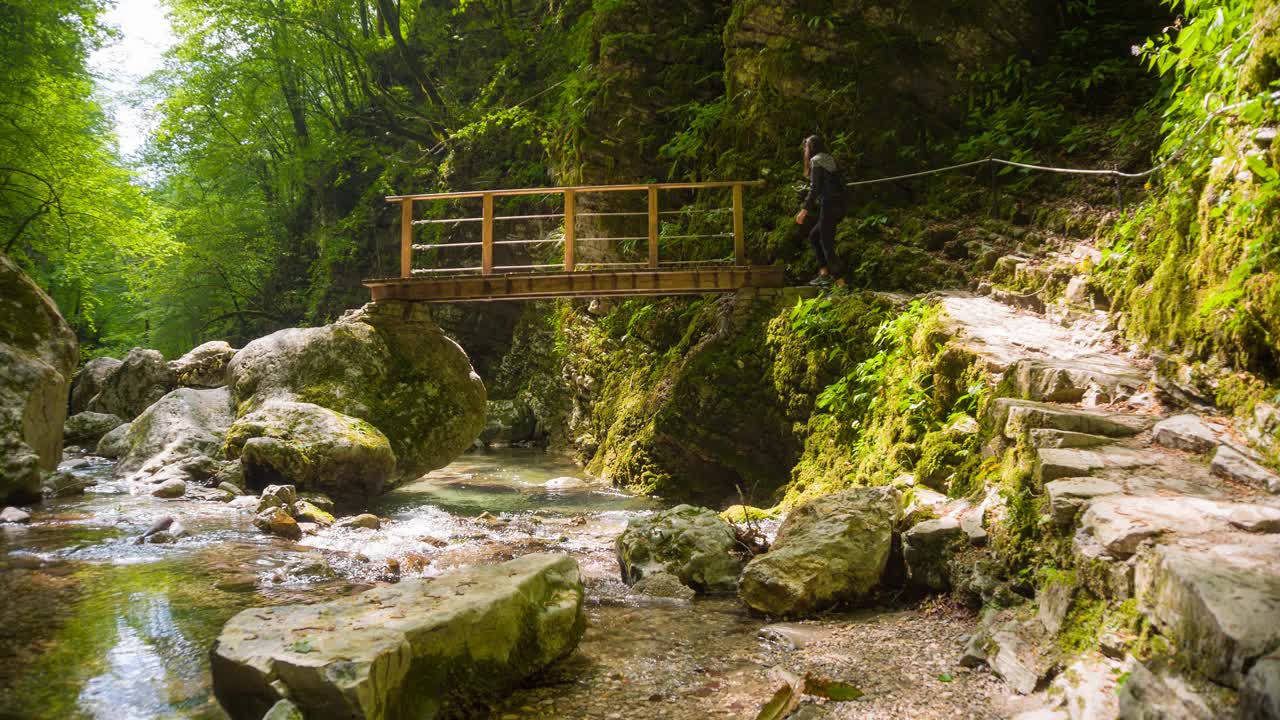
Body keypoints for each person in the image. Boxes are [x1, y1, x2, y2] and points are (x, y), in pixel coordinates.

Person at [795, 135, 847, 287]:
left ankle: (840, 282)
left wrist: (804, 210)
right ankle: (824, 273)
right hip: (840, 205)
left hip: (829, 205)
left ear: (810, 148)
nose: (805, 150)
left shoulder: (816, 160)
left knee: (826, 243)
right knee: (814, 236)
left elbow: (815, 189)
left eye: (806, 147)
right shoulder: (830, 158)